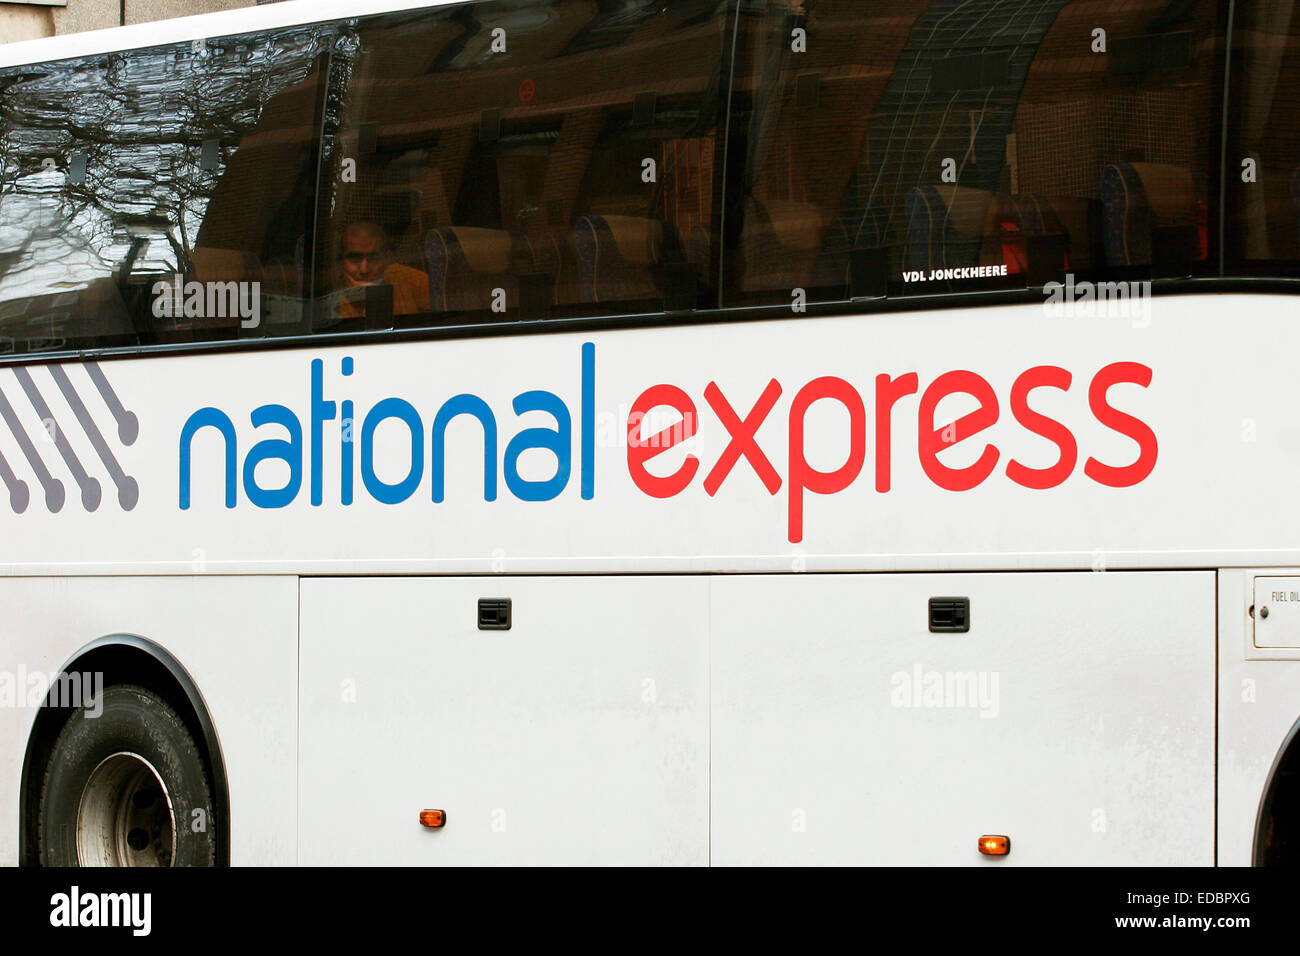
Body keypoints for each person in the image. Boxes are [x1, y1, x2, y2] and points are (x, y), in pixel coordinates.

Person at [335, 221, 431, 321]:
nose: (364, 270)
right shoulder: (333, 300)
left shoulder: (413, 280)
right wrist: (358, 301)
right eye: (355, 258)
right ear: (342, 263)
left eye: (373, 258)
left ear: (387, 260)